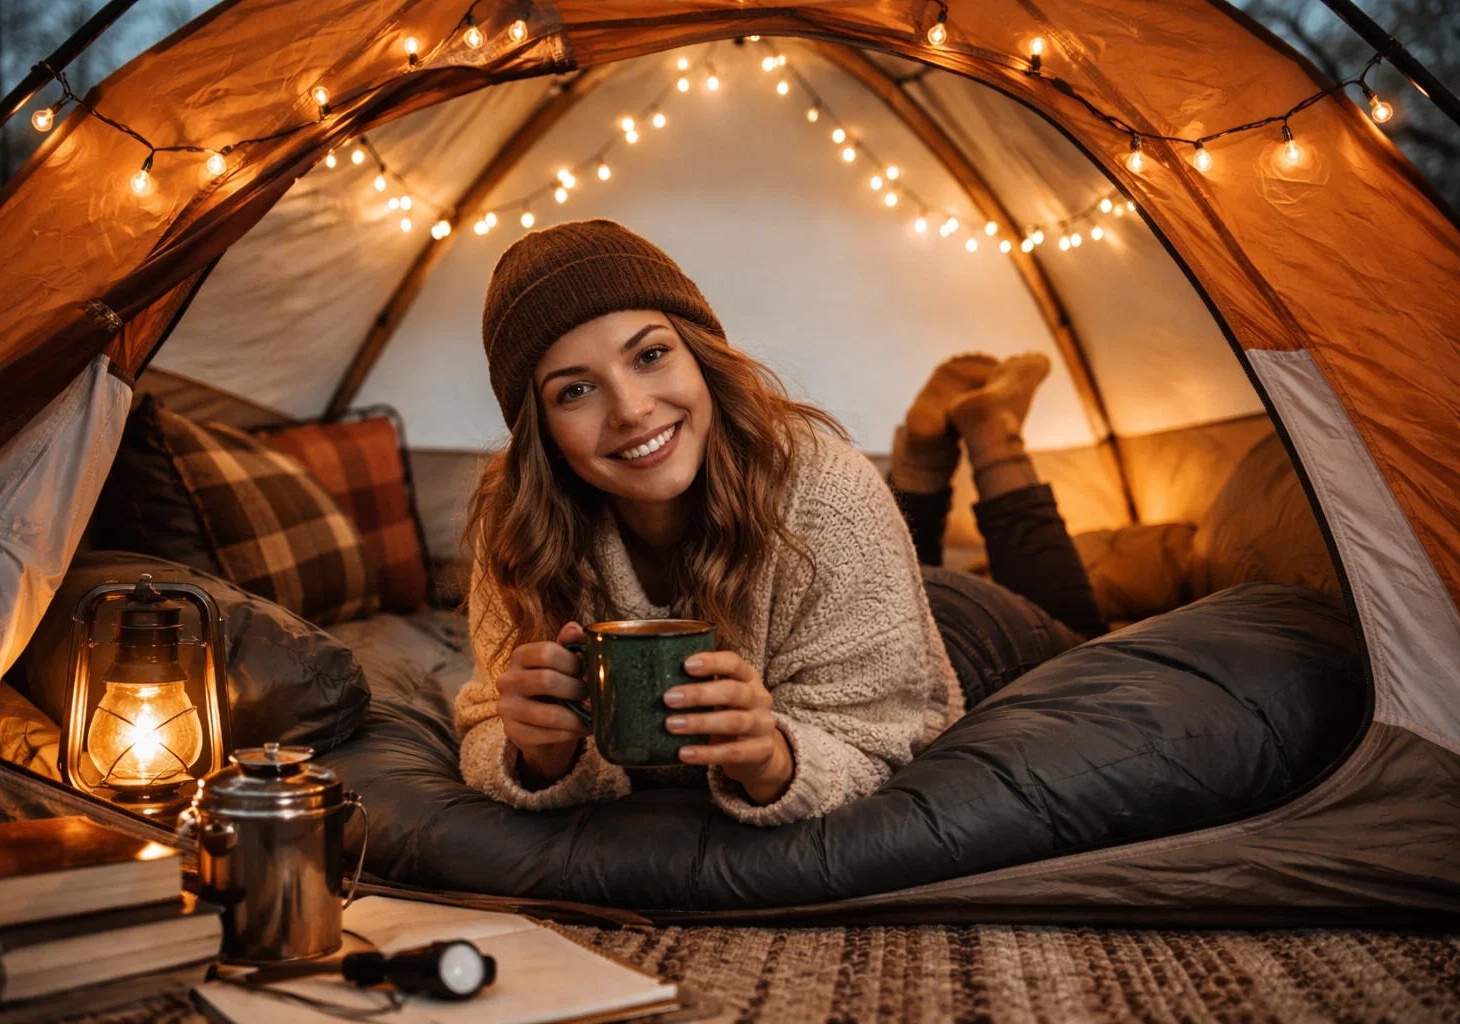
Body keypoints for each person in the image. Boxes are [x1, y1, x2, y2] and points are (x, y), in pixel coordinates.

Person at [455, 219, 1105, 827]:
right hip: (844, 603)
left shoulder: (827, 488)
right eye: (574, 390)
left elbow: (889, 730)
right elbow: (488, 723)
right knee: (897, 545)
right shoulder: (516, 525)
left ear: (700, 355)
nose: (631, 409)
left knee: (1085, 637)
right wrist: (541, 754)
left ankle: (993, 436)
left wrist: (773, 760)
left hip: (969, 635)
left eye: (651, 355)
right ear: (538, 431)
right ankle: (925, 459)